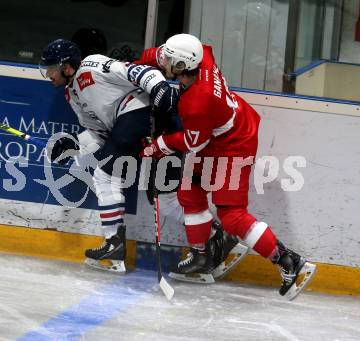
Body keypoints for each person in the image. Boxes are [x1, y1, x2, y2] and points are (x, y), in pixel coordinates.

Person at [139, 34, 316, 299]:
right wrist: (140, 64)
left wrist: (159, 145)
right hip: (220, 132)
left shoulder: (198, 102)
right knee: (190, 192)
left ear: (180, 67)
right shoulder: (202, 59)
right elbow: (197, 48)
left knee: (232, 215)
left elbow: (191, 141)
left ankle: (290, 262)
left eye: (168, 59)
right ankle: (201, 254)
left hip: (233, 146)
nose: (162, 59)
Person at [39, 38, 179, 272]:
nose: (49, 74)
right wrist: (74, 145)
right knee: (161, 197)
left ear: (67, 66)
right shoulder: (71, 94)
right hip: (126, 126)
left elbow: (136, 70)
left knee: (104, 176)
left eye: (52, 68)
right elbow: (99, 133)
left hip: (139, 113)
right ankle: (212, 234)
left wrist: (159, 88)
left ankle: (114, 241)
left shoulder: (92, 65)